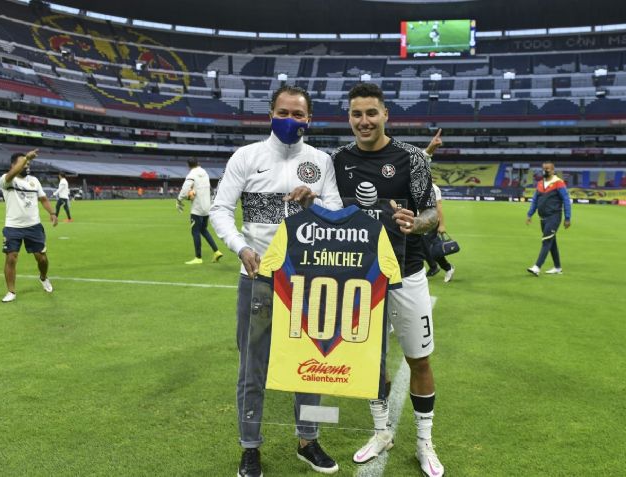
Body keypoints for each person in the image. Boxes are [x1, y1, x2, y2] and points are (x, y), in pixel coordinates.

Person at [210, 85, 343, 477]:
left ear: (309, 119)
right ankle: (250, 447)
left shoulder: (321, 161)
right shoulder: (247, 157)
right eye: (283, 112)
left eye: (298, 114)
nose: (290, 120)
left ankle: (309, 439)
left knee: (313, 363)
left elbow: (335, 211)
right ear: (270, 113)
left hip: (309, 280)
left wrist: (312, 202)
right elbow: (220, 209)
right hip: (260, 279)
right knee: (252, 368)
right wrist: (239, 247)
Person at [332, 82, 445, 477]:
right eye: (356, 114)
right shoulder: (337, 161)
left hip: (407, 273)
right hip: (362, 278)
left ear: (385, 115)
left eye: (371, 113)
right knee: (368, 360)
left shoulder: (413, 158)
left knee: (419, 359)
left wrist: (416, 223)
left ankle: (424, 442)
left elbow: (432, 215)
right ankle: (381, 432)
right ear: (349, 118)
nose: (364, 121)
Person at [0, 150, 58, 303]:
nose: (27, 166)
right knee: (11, 258)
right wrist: (25, 158)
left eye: (29, 164)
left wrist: (52, 212)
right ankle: (11, 291)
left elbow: (43, 199)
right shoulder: (6, 180)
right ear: (14, 165)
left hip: (34, 226)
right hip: (13, 226)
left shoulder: (34, 181)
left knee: (42, 259)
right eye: (25, 164)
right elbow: (12, 175)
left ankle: (43, 277)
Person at [525, 160, 572, 276]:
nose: (545, 171)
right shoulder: (540, 183)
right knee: (552, 242)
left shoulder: (558, 183)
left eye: (548, 169)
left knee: (546, 241)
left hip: (554, 217)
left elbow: (566, 200)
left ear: (553, 170)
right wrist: (529, 214)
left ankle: (537, 267)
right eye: (543, 168)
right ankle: (557, 267)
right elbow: (535, 200)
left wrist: (567, 218)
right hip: (543, 218)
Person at [176, 159, 223, 264]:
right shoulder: (205, 173)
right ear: (198, 164)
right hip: (207, 207)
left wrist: (179, 199)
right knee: (203, 230)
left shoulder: (191, 175)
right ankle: (216, 251)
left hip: (197, 209)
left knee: (195, 232)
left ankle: (198, 257)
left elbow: (184, 190)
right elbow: (209, 189)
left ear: (188, 166)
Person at [424, 183, 456, 282]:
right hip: (419, 220)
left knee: (429, 248)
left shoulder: (433, 188)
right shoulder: (414, 184)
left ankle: (447, 268)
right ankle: (433, 267)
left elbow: (439, 207)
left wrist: (442, 225)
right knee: (423, 247)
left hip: (431, 221)